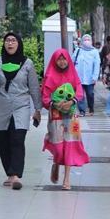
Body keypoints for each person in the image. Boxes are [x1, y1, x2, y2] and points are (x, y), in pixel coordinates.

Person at [0, 32, 43, 190]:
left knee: (17, 138)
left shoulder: (27, 63)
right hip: (1, 105)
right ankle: (10, 173)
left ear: (19, 44)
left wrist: (37, 108)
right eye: (7, 41)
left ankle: (16, 175)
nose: (10, 44)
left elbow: (34, 87)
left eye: (13, 41)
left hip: (21, 105)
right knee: (2, 140)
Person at [41, 49, 89, 190]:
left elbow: (79, 92)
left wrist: (71, 102)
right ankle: (56, 161)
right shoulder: (50, 76)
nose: (62, 62)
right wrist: (54, 104)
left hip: (71, 116)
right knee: (58, 145)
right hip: (55, 115)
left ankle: (66, 179)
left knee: (69, 144)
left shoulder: (73, 74)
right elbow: (45, 97)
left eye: (64, 59)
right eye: (59, 59)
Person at [72, 34, 100, 117]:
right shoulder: (78, 50)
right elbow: (72, 62)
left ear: (91, 41)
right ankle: (82, 111)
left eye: (88, 40)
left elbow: (96, 65)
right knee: (80, 94)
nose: (87, 41)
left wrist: (95, 76)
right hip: (79, 77)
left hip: (90, 78)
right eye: (85, 40)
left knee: (90, 94)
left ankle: (91, 107)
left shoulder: (94, 51)